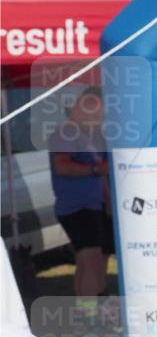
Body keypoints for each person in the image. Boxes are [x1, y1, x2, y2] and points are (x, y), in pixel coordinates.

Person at [47, 87, 113, 298]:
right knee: (91, 258)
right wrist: (95, 169)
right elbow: (62, 166)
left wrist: (108, 201)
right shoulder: (66, 132)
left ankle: (94, 307)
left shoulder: (94, 135)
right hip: (76, 207)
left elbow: (103, 172)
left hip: (95, 206)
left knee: (96, 259)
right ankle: (89, 314)